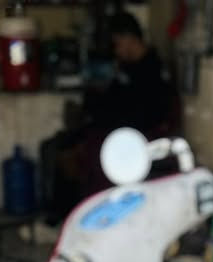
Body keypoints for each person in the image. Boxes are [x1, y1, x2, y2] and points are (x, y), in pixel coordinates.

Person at [41, 11, 178, 226]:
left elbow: (142, 115)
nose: (117, 50)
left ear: (130, 38)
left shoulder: (151, 71)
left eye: (118, 43)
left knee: (70, 154)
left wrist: (102, 113)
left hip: (129, 134)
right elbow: (115, 97)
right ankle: (63, 217)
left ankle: (69, 219)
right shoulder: (128, 67)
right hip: (111, 126)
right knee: (56, 145)